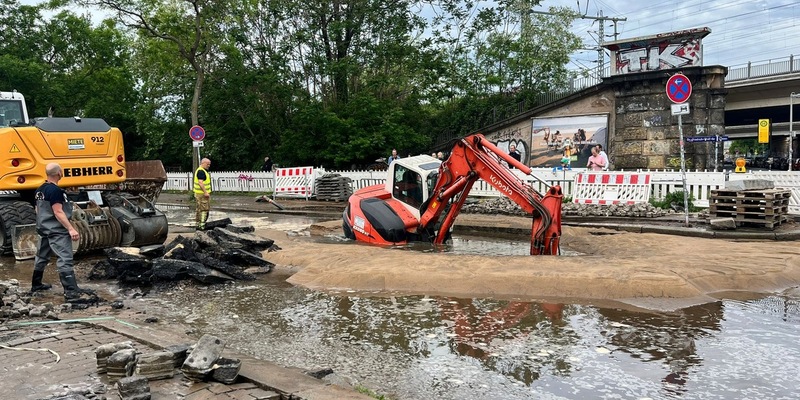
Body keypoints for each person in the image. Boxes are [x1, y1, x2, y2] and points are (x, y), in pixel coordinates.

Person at [32, 163, 89, 300]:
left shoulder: (39, 190)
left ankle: (36, 285)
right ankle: (70, 291)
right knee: (65, 258)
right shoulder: (57, 191)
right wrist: (70, 228)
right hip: (56, 230)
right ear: (59, 173)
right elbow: (58, 212)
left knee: (41, 256)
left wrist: (43, 223)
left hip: (43, 228)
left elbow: (37, 210)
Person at [193, 158, 212, 230]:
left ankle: (198, 224)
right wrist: (206, 192)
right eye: (208, 164)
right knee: (204, 209)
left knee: (199, 209)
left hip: (199, 194)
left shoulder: (201, 170)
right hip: (202, 194)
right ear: (203, 163)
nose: (209, 165)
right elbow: (200, 182)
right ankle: (202, 225)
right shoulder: (201, 171)